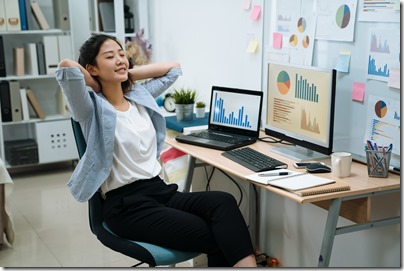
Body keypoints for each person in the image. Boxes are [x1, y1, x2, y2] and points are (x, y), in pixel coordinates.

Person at [55, 34, 257, 267]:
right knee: (217, 234)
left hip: (161, 191)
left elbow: (173, 69)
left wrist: (125, 75)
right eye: (110, 57)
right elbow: (65, 67)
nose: (120, 60)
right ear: (92, 68)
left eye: (122, 54)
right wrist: (98, 84)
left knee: (223, 202)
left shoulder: (139, 97)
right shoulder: (90, 108)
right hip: (127, 206)